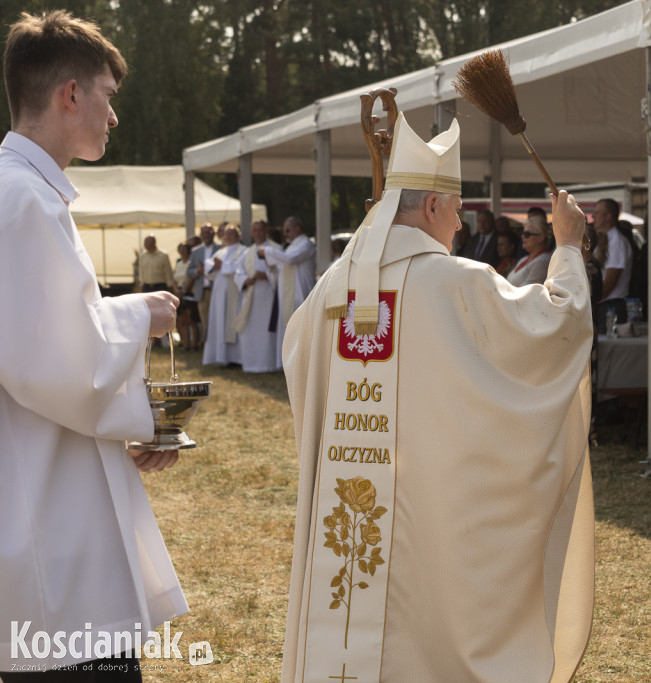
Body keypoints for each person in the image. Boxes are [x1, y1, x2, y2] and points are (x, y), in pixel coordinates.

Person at [279, 113, 593, 683]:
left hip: (352, 493)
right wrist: (567, 246)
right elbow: (555, 325)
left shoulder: (334, 285)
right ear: (429, 209)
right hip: (432, 497)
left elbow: (299, 357)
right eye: (455, 210)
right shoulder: (457, 282)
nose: (457, 226)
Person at [0, 10, 187, 679]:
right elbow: (55, 360)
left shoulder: (24, 192)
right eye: (107, 97)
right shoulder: (23, 200)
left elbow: (44, 335)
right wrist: (142, 313)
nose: (113, 117)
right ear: (68, 95)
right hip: (50, 524)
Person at [260, 215, 315, 369]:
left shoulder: (306, 244)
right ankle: (286, 363)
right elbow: (282, 265)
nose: (285, 233)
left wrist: (268, 251)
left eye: (288, 229)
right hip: (287, 294)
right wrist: (272, 266)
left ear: (297, 228)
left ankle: (301, 363)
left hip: (300, 291)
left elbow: (290, 259)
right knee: (287, 326)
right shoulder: (290, 246)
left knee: (300, 326)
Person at [233, 220, 281, 372]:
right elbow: (238, 272)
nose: (258, 233)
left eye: (260, 230)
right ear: (251, 233)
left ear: (266, 230)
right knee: (251, 330)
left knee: (268, 331)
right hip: (251, 297)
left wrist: (267, 276)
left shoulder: (275, 249)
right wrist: (245, 279)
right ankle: (252, 364)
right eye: (255, 230)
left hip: (270, 297)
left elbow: (283, 271)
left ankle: (269, 364)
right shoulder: (247, 252)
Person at [202, 224, 245, 366]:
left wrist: (222, 266)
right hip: (219, 292)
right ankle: (220, 357)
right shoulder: (221, 251)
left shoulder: (243, 251)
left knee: (231, 320)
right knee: (219, 321)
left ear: (238, 236)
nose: (228, 236)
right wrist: (216, 266)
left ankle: (235, 357)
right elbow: (209, 268)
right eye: (226, 234)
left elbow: (239, 267)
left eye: (232, 233)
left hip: (233, 292)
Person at [593, 197, 633, 331]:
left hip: (612, 306)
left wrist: (592, 300)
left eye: (597, 212)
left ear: (608, 217)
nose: (594, 216)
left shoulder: (617, 242)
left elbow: (610, 281)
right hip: (603, 304)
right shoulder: (604, 240)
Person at [185, 222, 219, 345]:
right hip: (201, 292)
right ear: (201, 235)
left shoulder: (221, 248)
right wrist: (197, 271)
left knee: (216, 320)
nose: (206, 235)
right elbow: (189, 271)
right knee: (204, 320)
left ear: (213, 233)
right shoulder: (196, 251)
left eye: (208, 232)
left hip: (216, 290)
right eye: (204, 232)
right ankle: (208, 346)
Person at [507, 214, 553, 286]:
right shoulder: (524, 259)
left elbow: (529, 292)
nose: (523, 237)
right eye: (523, 233)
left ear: (541, 238)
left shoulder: (543, 261)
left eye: (527, 234)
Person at [174, 241, 200, 350]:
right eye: (180, 249)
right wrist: (177, 291)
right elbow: (173, 278)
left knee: (191, 320)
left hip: (189, 293)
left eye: (184, 249)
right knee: (182, 320)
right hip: (179, 294)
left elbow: (192, 277)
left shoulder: (192, 263)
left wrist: (184, 291)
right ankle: (186, 344)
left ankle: (194, 344)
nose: (182, 251)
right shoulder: (178, 263)